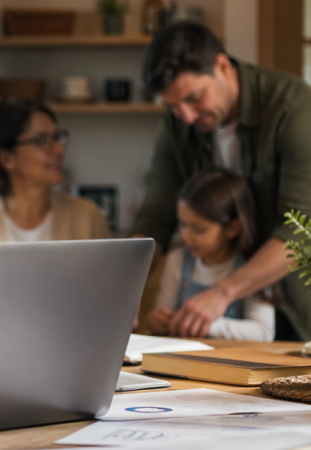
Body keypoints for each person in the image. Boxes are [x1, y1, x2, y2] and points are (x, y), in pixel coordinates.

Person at [131, 21, 311, 341]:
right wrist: (124, 289)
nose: (185, 116)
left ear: (223, 66)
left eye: (194, 98)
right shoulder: (180, 124)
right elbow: (156, 217)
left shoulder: (294, 110)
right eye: (172, 106)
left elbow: (301, 231)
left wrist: (221, 293)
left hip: (297, 305)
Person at [0, 100, 110, 246]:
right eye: (42, 141)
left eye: (56, 138)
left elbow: (111, 285)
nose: (59, 150)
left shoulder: (87, 216)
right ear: (6, 158)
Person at [148, 170, 275, 341]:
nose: (186, 236)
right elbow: (163, 311)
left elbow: (264, 333)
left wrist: (205, 324)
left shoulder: (252, 266)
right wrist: (158, 321)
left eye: (199, 229)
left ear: (232, 228)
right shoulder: (177, 259)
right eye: (182, 224)